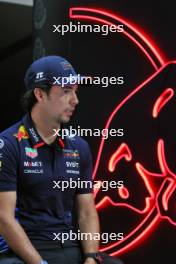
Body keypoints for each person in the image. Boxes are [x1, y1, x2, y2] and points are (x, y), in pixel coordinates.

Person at [0, 55, 101, 264]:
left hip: (69, 247)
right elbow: (3, 218)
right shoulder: (8, 144)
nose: (75, 100)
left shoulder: (79, 146)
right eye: (66, 91)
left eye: (75, 90)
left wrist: (91, 257)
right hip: (22, 250)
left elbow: (86, 211)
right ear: (39, 94)